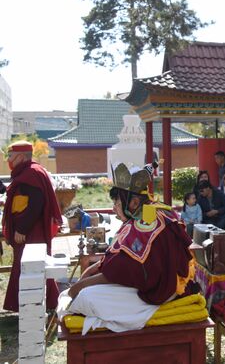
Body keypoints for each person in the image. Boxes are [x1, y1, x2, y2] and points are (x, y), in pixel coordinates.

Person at [66, 163, 197, 332]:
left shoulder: (147, 221)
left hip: (161, 291)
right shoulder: (157, 210)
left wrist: (81, 285)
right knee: (87, 291)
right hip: (159, 282)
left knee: (86, 296)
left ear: (134, 202)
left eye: (117, 203)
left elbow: (127, 268)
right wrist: (95, 269)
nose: (114, 209)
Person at [2, 141, 63, 312]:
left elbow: (36, 203)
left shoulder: (31, 173)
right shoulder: (29, 172)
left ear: (20, 156)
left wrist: (21, 229)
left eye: (10, 155)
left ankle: (34, 307)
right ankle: (42, 305)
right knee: (34, 267)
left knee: (31, 268)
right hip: (31, 231)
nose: (8, 159)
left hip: (30, 233)